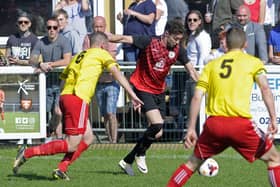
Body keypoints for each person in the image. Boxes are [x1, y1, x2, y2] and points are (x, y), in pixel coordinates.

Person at [12, 32, 143, 180]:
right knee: (71, 144)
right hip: (78, 99)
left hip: (67, 96)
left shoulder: (78, 56)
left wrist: (59, 103)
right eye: (107, 46)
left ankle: (61, 169)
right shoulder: (102, 53)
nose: (108, 49)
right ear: (102, 45)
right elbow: (116, 73)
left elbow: (64, 78)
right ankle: (27, 152)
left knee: (88, 138)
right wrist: (132, 94)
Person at [167, 27, 280, 187]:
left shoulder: (211, 66)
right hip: (240, 124)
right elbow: (265, 89)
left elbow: (197, 97)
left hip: (215, 125)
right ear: (245, 44)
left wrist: (191, 128)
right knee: (274, 158)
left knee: (192, 164)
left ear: (226, 43)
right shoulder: (253, 62)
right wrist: (273, 119)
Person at [109, 20, 199, 176]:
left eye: (179, 39)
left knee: (157, 133)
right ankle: (141, 155)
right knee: (157, 124)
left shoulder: (178, 50)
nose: (177, 42)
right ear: (166, 34)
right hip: (142, 88)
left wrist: (204, 84)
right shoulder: (149, 42)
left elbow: (191, 70)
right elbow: (125, 38)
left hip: (159, 91)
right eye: (175, 39)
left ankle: (128, 160)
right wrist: (106, 37)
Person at [29, 17, 72, 140]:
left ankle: (50, 129)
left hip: (62, 82)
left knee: (58, 112)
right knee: (45, 111)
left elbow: (67, 60)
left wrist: (49, 64)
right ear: (46, 29)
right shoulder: (40, 42)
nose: (52, 30)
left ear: (58, 28)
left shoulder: (65, 41)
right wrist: (39, 64)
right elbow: (32, 59)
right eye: (49, 27)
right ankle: (57, 138)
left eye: (54, 27)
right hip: (46, 82)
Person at [92, 16, 120, 143]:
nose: (98, 29)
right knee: (104, 114)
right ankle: (109, 140)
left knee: (111, 112)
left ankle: (114, 141)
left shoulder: (111, 39)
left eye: (100, 26)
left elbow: (111, 58)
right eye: (96, 26)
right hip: (98, 82)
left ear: (105, 26)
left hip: (111, 82)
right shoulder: (88, 39)